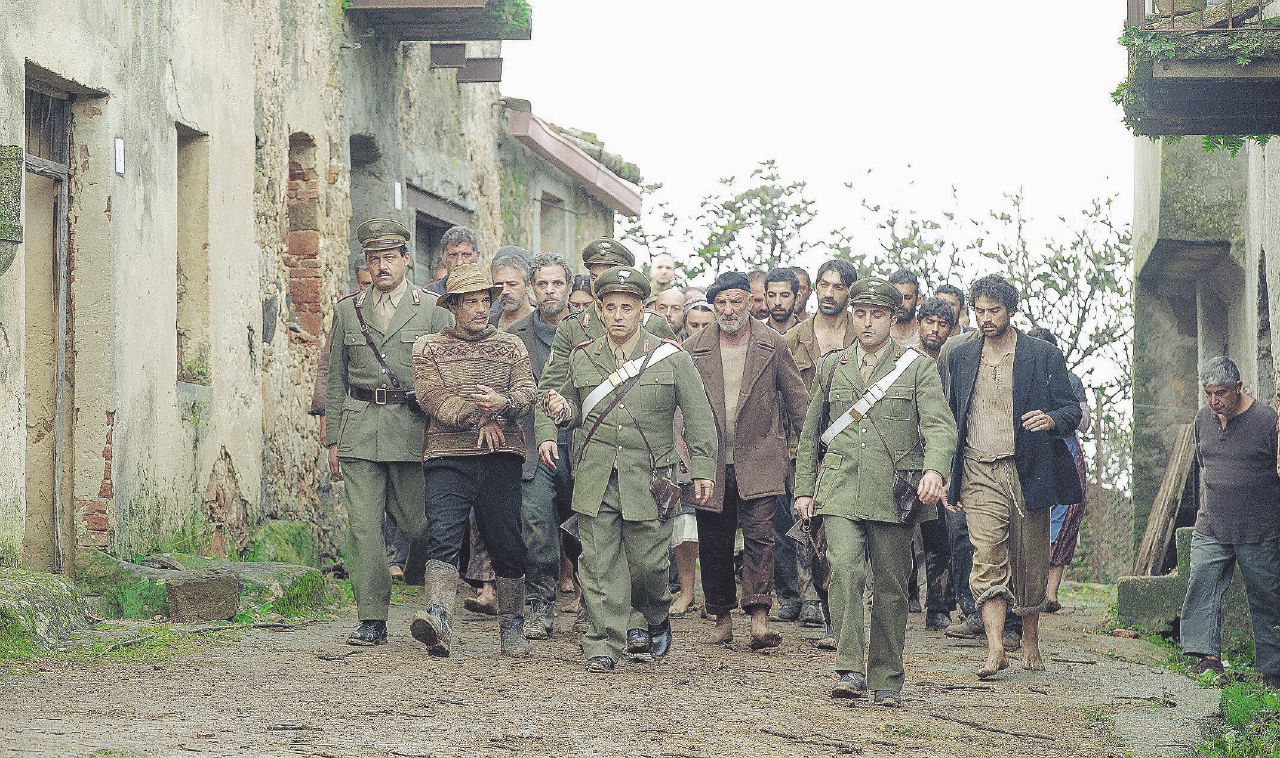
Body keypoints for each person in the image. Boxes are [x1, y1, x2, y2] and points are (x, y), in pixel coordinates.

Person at [543, 266, 717, 673]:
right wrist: (559, 411)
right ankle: (602, 643)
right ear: (600, 312)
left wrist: (704, 468)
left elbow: (699, 417)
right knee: (599, 563)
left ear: (643, 310)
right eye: (610, 307)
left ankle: (656, 614)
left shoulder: (671, 357)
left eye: (628, 307)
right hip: (596, 473)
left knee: (648, 566)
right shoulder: (582, 356)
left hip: (651, 477)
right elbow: (567, 407)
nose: (618, 315)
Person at [793, 277, 956, 705]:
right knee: (843, 569)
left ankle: (885, 676)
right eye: (860, 314)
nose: (867, 323)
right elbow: (811, 435)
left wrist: (935, 470)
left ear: (893, 317)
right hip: (841, 488)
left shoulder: (918, 367)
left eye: (877, 315)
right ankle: (849, 667)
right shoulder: (832, 367)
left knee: (891, 586)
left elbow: (939, 426)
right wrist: (804, 489)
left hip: (894, 492)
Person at [945, 274, 1082, 679]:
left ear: (1012, 310)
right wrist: (950, 475)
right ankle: (994, 649)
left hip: (1026, 468)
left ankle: (1030, 639)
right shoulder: (960, 355)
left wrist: (1051, 420)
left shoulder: (1041, 355)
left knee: (1029, 560)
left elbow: (1071, 411)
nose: (986, 319)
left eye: (994, 311)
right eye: (979, 311)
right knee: (986, 556)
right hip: (978, 466)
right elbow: (951, 416)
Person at [324, 218, 453, 646]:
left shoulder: (432, 311)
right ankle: (372, 618)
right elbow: (335, 378)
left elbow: (444, 374)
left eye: (388, 258)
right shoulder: (348, 310)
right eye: (373, 259)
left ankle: (420, 579)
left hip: (412, 429)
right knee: (363, 527)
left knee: (419, 526)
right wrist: (332, 440)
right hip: (360, 428)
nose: (381, 266)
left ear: (406, 260)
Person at [409, 263, 538, 658]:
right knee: (443, 534)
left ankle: (512, 627)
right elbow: (431, 398)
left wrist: (504, 405)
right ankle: (439, 620)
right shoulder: (428, 347)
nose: (481, 309)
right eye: (471, 302)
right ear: (453, 306)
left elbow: (527, 390)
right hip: (447, 454)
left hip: (501, 456)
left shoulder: (512, 346)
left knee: (506, 540)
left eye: (486, 301)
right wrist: (479, 415)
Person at [684, 271, 808, 649]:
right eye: (721, 303)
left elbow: (797, 399)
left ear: (750, 303)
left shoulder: (773, 343)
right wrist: (687, 459)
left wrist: (812, 449)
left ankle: (758, 615)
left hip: (761, 455)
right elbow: (679, 409)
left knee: (760, 537)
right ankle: (721, 615)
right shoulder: (692, 348)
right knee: (714, 539)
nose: (729, 309)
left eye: (736, 301)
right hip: (711, 460)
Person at [1175, 356, 1280, 689]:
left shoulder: (1267, 421)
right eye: (1208, 393)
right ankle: (1205, 658)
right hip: (1212, 524)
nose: (1213, 400)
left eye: (1220, 392)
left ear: (1238, 387)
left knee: (1267, 597)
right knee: (1202, 584)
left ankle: (1273, 671)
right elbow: (1204, 465)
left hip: (1259, 528)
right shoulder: (1202, 419)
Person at [779, 259, 859, 631]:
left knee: (841, 528)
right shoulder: (792, 339)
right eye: (824, 285)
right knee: (802, 521)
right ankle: (808, 596)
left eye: (838, 287)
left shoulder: (862, 338)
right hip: (801, 445)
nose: (829, 293)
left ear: (850, 292)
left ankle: (841, 605)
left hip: (850, 445)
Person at [505, 253, 577, 639]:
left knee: (588, 526)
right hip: (532, 445)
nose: (550, 291)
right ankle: (539, 604)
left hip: (582, 442)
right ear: (532, 289)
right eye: (542, 284)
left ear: (569, 288)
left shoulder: (590, 333)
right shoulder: (514, 337)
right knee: (536, 522)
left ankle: (590, 602)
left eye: (557, 283)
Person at [1024, 326, 1091, 614]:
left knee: (1064, 519)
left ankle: (1050, 592)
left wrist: (1056, 417)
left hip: (1063, 451)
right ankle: (1027, 590)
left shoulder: (1070, 380)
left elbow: (1084, 421)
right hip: (1026, 452)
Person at [912, 297, 959, 631]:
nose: (935, 329)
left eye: (943, 324)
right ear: (919, 322)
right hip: (906, 455)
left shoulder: (954, 362)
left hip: (942, 458)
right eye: (930, 322)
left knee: (940, 535)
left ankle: (938, 607)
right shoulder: (904, 359)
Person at [425, 225, 480, 296]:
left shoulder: (489, 296)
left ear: (477, 256)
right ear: (443, 257)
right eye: (453, 255)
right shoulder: (429, 295)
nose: (459, 263)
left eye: (466, 255)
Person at [490, 250, 535, 330]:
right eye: (499, 285)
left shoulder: (542, 322)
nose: (504, 291)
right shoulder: (488, 326)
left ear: (528, 285)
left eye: (512, 284)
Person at [887, 268, 921, 349]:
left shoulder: (927, 336)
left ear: (919, 300)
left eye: (907, 298)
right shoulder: (880, 334)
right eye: (896, 297)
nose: (901, 304)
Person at [764, 267, 802, 333]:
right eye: (771, 295)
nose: (777, 302)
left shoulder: (809, 333)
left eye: (784, 296)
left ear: (797, 298)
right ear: (765, 297)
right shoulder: (755, 333)